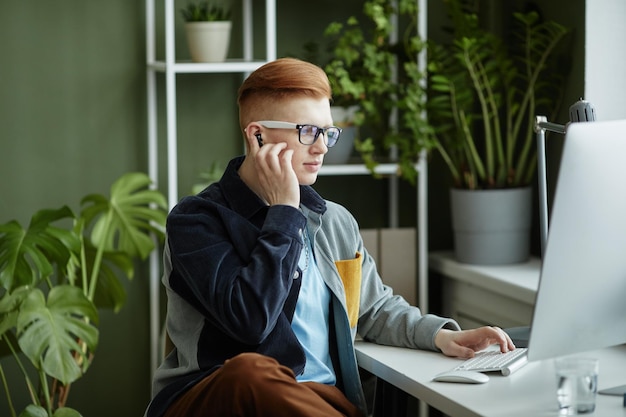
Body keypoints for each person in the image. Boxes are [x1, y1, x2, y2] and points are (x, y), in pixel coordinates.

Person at [145, 57, 515, 417]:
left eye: (327, 132)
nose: (322, 147)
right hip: (218, 398)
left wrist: (443, 337)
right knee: (249, 372)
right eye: (308, 131)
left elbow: (374, 309)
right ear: (258, 135)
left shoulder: (335, 221)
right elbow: (250, 321)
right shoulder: (196, 221)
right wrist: (284, 214)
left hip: (319, 400)